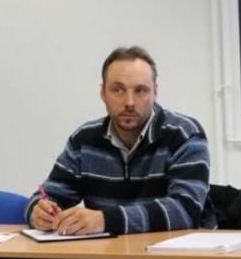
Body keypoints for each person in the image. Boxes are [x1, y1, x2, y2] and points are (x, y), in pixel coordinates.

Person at [27, 46, 215, 235]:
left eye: (140, 90)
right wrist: (38, 212)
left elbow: (185, 211)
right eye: (118, 90)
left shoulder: (184, 134)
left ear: (155, 93)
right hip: (108, 258)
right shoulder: (84, 140)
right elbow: (48, 195)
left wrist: (105, 220)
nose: (129, 102)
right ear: (103, 94)